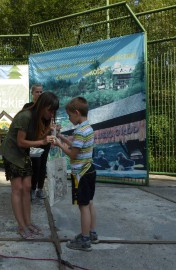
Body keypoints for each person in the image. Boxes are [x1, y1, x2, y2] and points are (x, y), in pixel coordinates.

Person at [0, 92, 59, 239]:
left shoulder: (40, 119)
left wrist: (49, 132)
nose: (51, 114)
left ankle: (28, 223)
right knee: (17, 188)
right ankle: (21, 226)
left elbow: (35, 138)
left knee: (27, 188)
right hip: (12, 153)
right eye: (50, 110)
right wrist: (43, 141)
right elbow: (20, 142)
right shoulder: (25, 116)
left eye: (54, 112)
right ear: (43, 106)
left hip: (23, 153)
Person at [54, 96, 98, 251]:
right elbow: (76, 146)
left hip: (81, 174)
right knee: (89, 203)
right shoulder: (88, 128)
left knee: (83, 206)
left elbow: (73, 154)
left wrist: (58, 144)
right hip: (89, 170)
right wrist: (61, 137)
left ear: (77, 112)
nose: (69, 118)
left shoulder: (80, 131)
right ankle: (91, 233)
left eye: (70, 115)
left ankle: (85, 240)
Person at [23, 84, 49, 200]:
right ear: (32, 93)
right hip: (33, 140)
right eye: (37, 92)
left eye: (41, 92)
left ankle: (40, 189)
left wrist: (53, 133)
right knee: (36, 164)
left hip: (45, 140)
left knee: (43, 164)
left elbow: (49, 123)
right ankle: (32, 189)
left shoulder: (46, 107)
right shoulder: (28, 106)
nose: (39, 94)